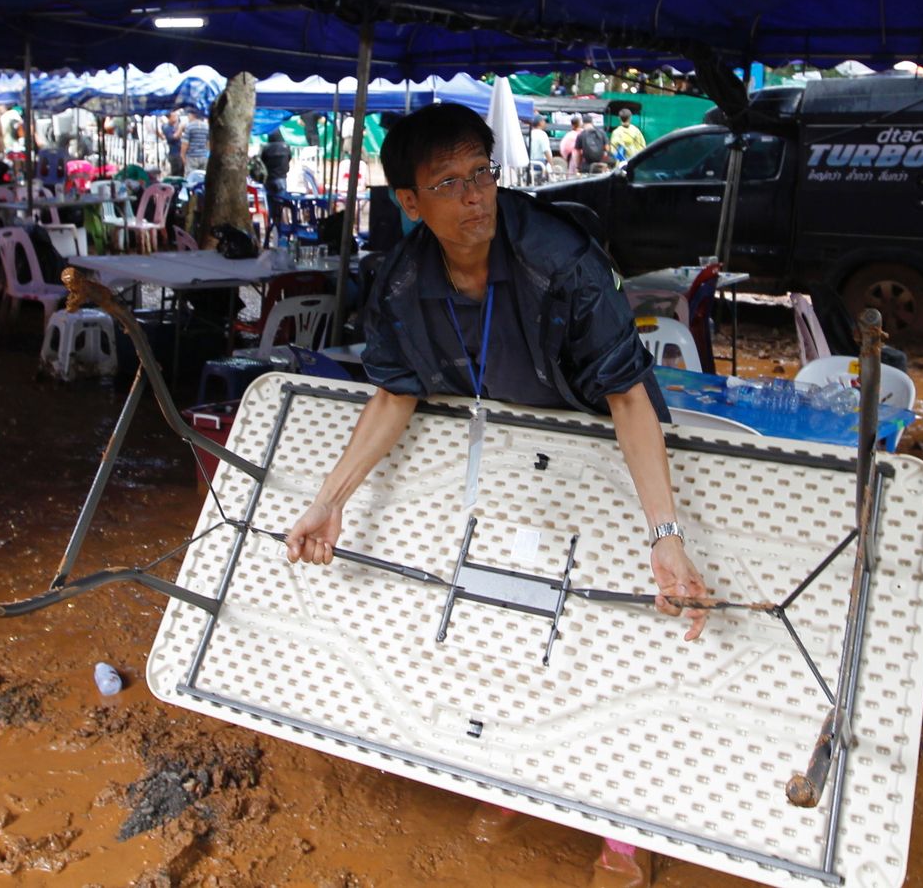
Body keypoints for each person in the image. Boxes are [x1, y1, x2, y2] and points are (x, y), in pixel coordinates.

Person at [286, 103, 708, 621]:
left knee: (600, 610)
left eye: (481, 172)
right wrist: (331, 501)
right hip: (509, 454)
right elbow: (396, 393)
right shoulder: (400, 284)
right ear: (409, 202)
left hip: (606, 450)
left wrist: (665, 533)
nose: (474, 196)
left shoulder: (563, 261)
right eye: (447, 183)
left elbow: (626, 395)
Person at [259, 128, 293, 237]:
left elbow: (261, 162)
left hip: (269, 180)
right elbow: (289, 159)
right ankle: (282, 230)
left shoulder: (266, 148)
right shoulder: (286, 147)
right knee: (282, 205)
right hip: (282, 179)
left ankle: (273, 228)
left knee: (271, 206)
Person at [180, 108, 211, 174]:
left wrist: (182, 155)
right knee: (202, 177)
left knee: (191, 178)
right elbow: (208, 143)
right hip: (203, 156)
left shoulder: (189, 126)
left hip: (192, 157)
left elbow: (185, 143)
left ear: (192, 115)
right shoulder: (206, 126)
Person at [528, 113, 552, 178]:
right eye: (544, 121)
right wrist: (552, 164)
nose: (545, 123)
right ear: (540, 122)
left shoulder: (530, 134)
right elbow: (546, 151)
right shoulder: (542, 134)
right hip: (540, 163)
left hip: (531, 163)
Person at [161, 110, 184, 177]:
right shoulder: (166, 127)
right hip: (174, 154)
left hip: (179, 152)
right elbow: (173, 138)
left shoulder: (175, 126)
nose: (176, 117)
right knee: (176, 173)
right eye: (174, 116)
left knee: (181, 172)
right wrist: (180, 128)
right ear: (169, 117)